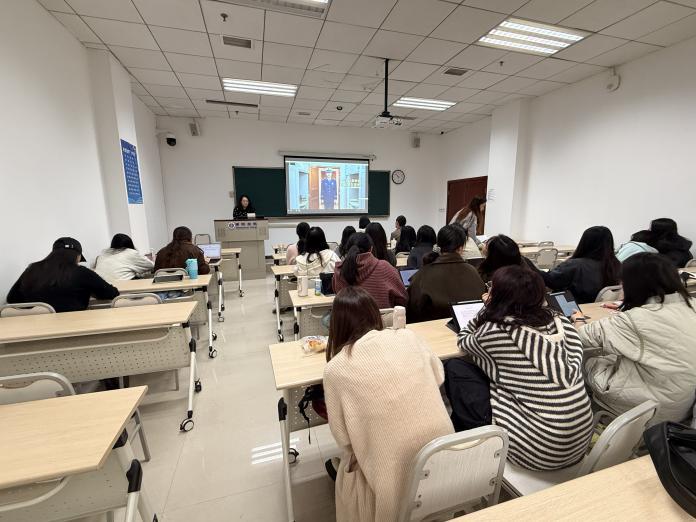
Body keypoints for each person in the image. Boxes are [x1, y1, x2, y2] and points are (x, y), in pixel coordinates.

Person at [324, 287, 453, 522]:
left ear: (336, 326)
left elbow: (344, 439)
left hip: (393, 478)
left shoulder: (335, 369)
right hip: (445, 458)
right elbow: (438, 376)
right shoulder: (407, 336)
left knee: (350, 464)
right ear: (376, 314)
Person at [455, 265, 594, 470]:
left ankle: (472, 447)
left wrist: (486, 309)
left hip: (535, 451)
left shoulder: (497, 330)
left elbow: (464, 340)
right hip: (577, 446)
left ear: (499, 296)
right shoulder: (559, 321)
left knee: (456, 368)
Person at [575, 253, 696, 425]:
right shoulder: (691, 304)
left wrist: (578, 319)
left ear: (634, 284)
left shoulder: (635, 319)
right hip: (681, 404)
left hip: (645, 409)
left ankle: (582, 415)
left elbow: (581, 336)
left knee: (586, 357)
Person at [7, 237, 119, 312]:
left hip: (35, 329)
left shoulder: (32, 269)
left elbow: (12, 298)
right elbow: (111, 293)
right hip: (75, 328)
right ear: (77, 256)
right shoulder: (82, 272)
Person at [407, 224, 486, 323]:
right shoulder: (474, 273)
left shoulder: (422, 275)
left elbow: (411, 311)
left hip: (431, 329)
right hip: (470, 328)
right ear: (461, 248)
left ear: (438, 246)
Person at [541, 226, 621, 304]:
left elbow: (551, 281)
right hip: (600, 308)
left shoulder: (576, 265)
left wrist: (534, 269)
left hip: (570, 307)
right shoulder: (616, 265)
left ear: (585, 243)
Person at [333, 232, 407, 309]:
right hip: (383, 316)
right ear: (371, 249)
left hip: (348, 316)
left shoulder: (339, 271)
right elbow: (403, 299)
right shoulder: (385, 268)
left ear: (348, 250)